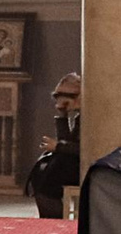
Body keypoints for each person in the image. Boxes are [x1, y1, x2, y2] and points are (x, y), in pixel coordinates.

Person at [26, 71, 82, 219]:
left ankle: (53, 220)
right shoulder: (79, 117)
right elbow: (67, 141)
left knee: (50, 174)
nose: (63, 106)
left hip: (85, 166)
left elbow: (84, 149)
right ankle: (50, 217)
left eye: (66, 102)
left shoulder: (90, 117)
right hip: (75, 163)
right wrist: (62, 116)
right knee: (44, 168)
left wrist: (58, 147)